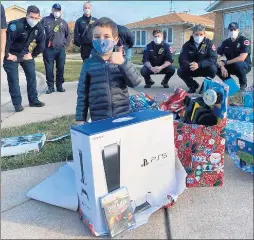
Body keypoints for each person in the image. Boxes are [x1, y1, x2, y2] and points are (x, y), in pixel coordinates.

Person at [76, 17, 142, 123]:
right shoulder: (88, 64)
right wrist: (80, 118)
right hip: (99, 118)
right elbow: (82, 93)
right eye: (97, 37)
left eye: (106, 36)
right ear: (92, 39)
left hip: (123, 115)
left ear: (115, 39)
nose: (101, 40)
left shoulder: (122, 60)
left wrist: (123, 64)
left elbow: (135, 82)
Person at [3, 5, 45, 112]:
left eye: (36, 18)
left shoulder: (39, 27)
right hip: (10, 53)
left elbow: (42, 44)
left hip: (24, 53)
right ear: (26, 15)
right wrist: (7, 55)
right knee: (13, 79)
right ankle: (17, 104)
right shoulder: (16, 25)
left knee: (32, 76)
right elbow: (6, 41)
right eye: (31, 17)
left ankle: (33, 100)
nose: (34, 20)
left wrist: (33, 54)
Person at [177, 24, 217, 93]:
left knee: (213, 69)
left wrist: (199, 65)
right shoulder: (187, 45)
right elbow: (182, 59)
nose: (199, 36)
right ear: (193, 34)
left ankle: (204, 86)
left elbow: (213, 58)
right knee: (180, 71)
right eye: (196, 34)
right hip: (191, 68)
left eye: (201, 34)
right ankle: (193, 85)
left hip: (204, 68)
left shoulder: (209, 43)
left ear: (204, 34)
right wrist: (190, 64)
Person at [41, 3, 71, 94]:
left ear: (60, 11)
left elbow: (68, 36)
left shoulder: (64, 22)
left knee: (60, 68)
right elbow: (39, 33)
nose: (56, 12)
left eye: (58, 10)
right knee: (49, 68)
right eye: (55, 10)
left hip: (60, 49)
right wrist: (42, 45)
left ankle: (59, 85)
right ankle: (50, 86)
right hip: (48, 49)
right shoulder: (45, 20)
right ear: (52, 10)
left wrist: (65, 44)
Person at [217, 22, 252, 91]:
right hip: (231, 65)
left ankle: (243, 86)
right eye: (231, 30)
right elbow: (216, 56)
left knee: (239, 64)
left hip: (244, 65)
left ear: (238, 30)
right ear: (228, 31)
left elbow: (241, 58)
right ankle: (232, 86)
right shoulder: (225, 42)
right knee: (215, 66)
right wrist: (222, 66)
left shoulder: (244, 40)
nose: (233, 31)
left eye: (235, 30)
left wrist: (225, 62)